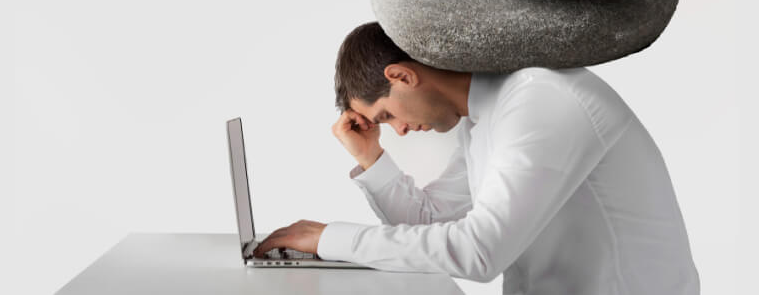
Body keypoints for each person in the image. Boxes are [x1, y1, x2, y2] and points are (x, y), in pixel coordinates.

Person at [255, 21, 700, 295]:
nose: (402, 130)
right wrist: (372, 159)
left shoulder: (540, 100)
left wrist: (329, 239)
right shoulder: (483, 118)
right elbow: (431, 224)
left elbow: (479, 253)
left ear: (402, 75)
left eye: (388, 115)